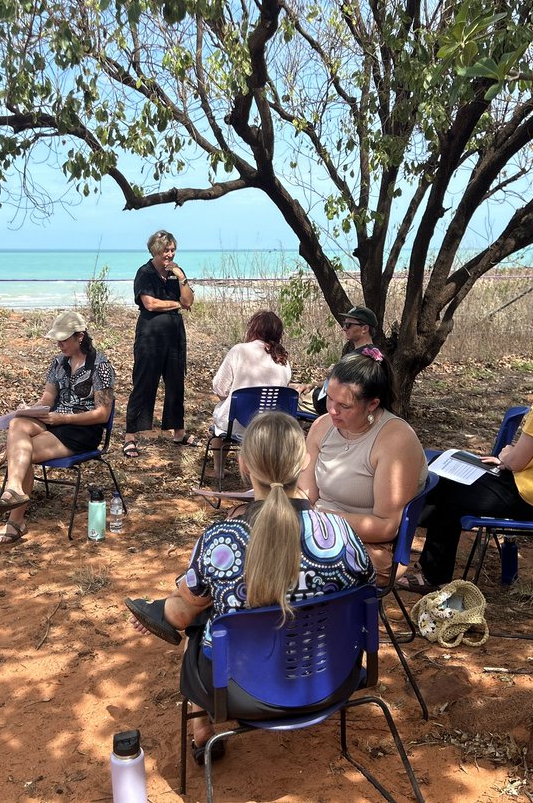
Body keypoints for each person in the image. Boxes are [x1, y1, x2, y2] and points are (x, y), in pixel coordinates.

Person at [125, 411, 374, 763]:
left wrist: (163, 612)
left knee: (200, 616)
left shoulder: (221, 541)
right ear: (303, 461)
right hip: (331, 680)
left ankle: (202, 734)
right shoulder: (341, 532)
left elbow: (184, 613)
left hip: (240, 695)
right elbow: (365, 587)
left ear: (243, 465)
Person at [413, 328, 533, 589]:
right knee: (446, 488)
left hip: (528, 497)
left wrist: (504, 455)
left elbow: (516, 461)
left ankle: (431, 574)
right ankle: (424, 558)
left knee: (444, 491)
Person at [299, 349, 428, 581]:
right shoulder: (322, 426)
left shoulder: (396, 440)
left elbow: (386, 527)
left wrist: (319, 520)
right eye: (329, 398)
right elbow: (304, 494)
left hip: (371, 547)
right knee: (243, 526)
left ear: (372, 404)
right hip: (316, 529)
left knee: (284, 558)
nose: (332, 410)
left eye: (344, 406)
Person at [0, 311, 115, 544]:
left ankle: (15, 520)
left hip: (81, 428)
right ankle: (14, 488)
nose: (59, 344)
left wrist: (64, 419)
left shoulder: (100, 364)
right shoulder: (58, 362)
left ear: (80, 337)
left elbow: (102, 414)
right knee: (17, 423)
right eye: (57, 340)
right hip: (54, 419)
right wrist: (32, 408)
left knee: (21, 452)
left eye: (64, 339)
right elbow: (48, 398)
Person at [123, 230, 195, 458]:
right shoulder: (144, 273)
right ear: (155, 250)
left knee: (176, 384)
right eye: (166, 250)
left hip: (174, 336)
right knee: (144, 383)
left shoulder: (177, 273)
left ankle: (178, 432)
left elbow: (189, 300)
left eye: (173, 249)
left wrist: (181, 278)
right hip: (150, 337)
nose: (170, 254)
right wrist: (176, 304)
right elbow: (150, 304)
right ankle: (130, 436)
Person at [208, 310, 292, 480]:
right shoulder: (283, 359)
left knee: (220, 426)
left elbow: (220, 388)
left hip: (237, 424)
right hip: (271, 426)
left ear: (253, 329)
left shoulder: (239, 350)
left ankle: (218, 469)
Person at [301, 305, 380, 416]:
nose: (344, 328)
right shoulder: (375, 354)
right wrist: (313, 384)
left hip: (341, 411)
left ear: (365, 329)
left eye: (349, 325)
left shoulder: (362, 360)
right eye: (344, 324)